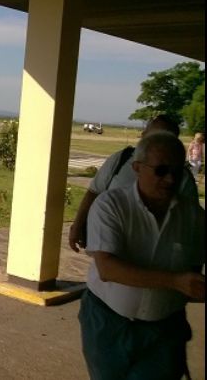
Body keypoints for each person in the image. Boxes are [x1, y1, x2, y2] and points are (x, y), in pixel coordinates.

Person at [78, 130, 205, 379]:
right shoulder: (111, 205)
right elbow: (107, 269)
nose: (169, 179)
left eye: (177, 171)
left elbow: (194, 272)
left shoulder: (194, 218)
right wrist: (176, 282)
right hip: (107, 324)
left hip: (164, 331)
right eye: (160, 170)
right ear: (137, 168)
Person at [68, 114, 198, 252]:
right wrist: (77, 225)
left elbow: (191, 226)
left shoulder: (184, 178)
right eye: (160, 171)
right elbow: (94, 192)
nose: (169, 179)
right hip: (114, 247)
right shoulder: (120, 162)